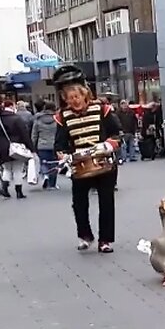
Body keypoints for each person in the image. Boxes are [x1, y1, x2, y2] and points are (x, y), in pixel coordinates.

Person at [52, 64, 122, 253]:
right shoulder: (63, 117)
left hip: (103, 162)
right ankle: (85, 235)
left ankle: (105, 240)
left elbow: (117, 134)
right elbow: (59, 144)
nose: (74, 101)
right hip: (79, 165)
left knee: (106, 201)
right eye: (69, 98)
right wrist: (63, 155)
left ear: (84, 94)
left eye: (77, 96)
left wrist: (108, 145)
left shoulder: (102, 109)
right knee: (79, 203)